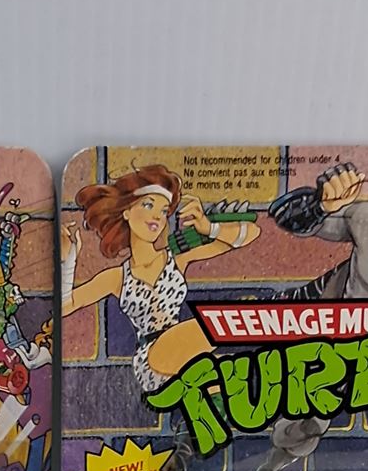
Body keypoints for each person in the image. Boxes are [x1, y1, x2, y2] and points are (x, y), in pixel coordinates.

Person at [61, 164, 260, 391]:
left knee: (222, 376)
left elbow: (251, 233)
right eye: (148, 205)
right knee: (221, 322)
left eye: (164, 211)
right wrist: (68, 262)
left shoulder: (177, 257)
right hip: (153, 360)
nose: (157, 216)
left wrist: (210, 228)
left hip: (185, 353)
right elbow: (66, 305)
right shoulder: (117, 277)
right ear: (126, 212)